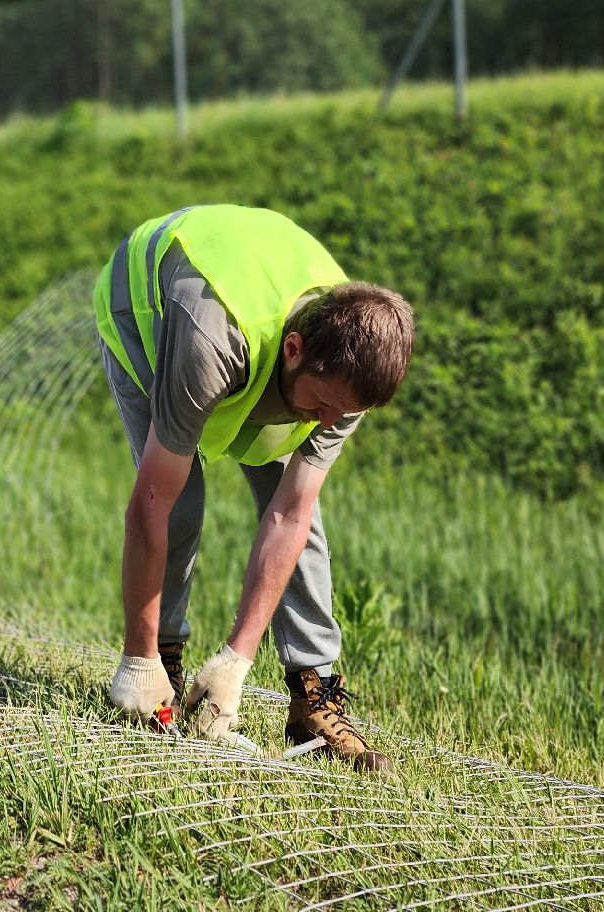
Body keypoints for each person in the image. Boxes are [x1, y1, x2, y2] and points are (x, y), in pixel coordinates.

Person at [94, 204, 414, 771]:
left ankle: (312, 696)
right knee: (180, 502)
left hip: (255, 347)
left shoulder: (348, 376)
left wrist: (236, 662)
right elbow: (152, 503)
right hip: (151, 316)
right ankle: (158, 665)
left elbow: (290, 515)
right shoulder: (209, 343)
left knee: (305, 524)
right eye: (324, 404)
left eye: (343, 413)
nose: (328, 423)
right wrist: (138, 657)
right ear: (294, 350)